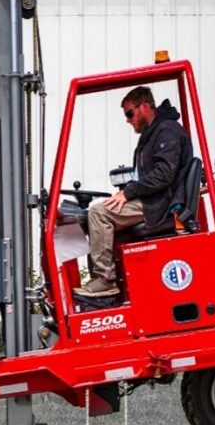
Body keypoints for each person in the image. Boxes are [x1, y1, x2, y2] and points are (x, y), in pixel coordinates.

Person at [74, 86, 193, 297]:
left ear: (145, 107)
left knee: (98, 213)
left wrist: (128, 193)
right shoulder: (153, 134)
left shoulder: (167, 131)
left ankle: (105, 279)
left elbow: (164, 174)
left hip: (160, 205)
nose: (128, 120)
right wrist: (125, 192)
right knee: (90, 215)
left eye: (130, 113)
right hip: (152, 199)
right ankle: (100, 282)